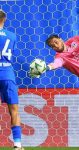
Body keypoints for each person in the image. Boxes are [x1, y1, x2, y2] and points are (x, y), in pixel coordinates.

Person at [0, 10, 24, 150]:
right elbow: (11, 53)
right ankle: (17, 145)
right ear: (4, 20)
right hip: (7, 74)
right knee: (14, 110)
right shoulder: (12, 36)